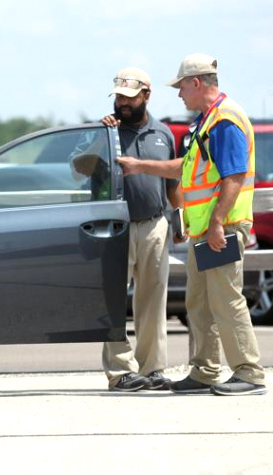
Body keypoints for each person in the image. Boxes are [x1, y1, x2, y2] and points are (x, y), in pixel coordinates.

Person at [117, 53, 267, 396]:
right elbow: (186, 169)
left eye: (182, 86)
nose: (179, 94)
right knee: (199, 304)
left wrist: (216, 223)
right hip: (206, 232)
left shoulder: (225, 120)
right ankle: (205, 371)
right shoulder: (209, 120)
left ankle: (249, 372)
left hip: (221, 230)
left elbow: (233, 176)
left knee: (226, 301)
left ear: (197, 83)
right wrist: (140, 166)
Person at [83, 67, 182, 392]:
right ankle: (120, 371)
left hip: (154, 225)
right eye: (118, 98)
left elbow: (173, 183)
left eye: (129, 98)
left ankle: (152, 369)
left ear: (146, 96)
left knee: (154, 300)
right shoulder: (104, 131)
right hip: (113, 230)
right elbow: (77, 169)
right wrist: (97, 138)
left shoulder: (163, 134)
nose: (122, 104)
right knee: (112, 301)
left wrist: (179, 220)